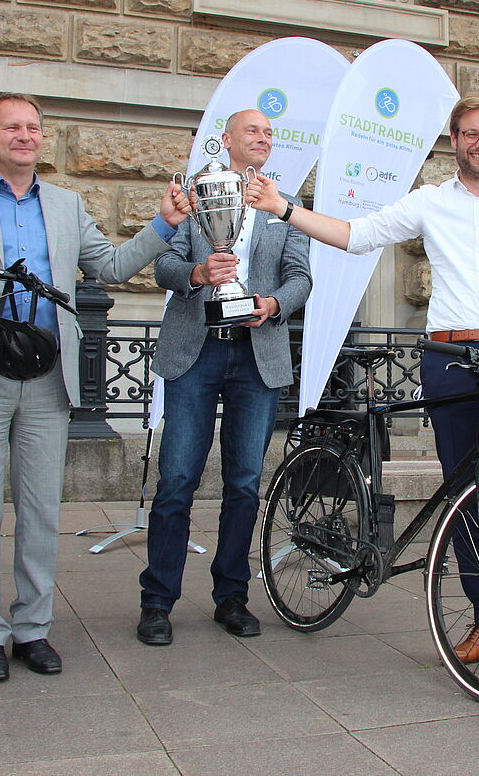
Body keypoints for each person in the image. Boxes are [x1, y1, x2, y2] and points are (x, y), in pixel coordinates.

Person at [246, 93, 479, 682]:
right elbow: (357, 235)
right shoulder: (431, 202)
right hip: (451, 356)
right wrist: (284, 209)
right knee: (464, 495)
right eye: (469, 134)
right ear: (453, 140)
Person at [0, 93, 189, 682]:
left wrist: (165, 222)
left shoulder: (66, 205)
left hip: (45, 378)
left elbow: (111, 267)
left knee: (41, 512)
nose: (25, 135)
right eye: (12, 126)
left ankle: (32, 629)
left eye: (34, 128)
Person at [136, 109, 312, 646]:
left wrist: (272, 303)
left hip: (256, 357)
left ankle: (231, 596)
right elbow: (162, 265)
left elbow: (301, 278)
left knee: (244, 484)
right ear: (226, 140)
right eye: (252, 131)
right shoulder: (194, 193)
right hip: (196, 353)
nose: (262, 139)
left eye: (268, 133)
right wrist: (194, 272)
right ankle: (157, 601)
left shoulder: (284, 207)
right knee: (177, 482)